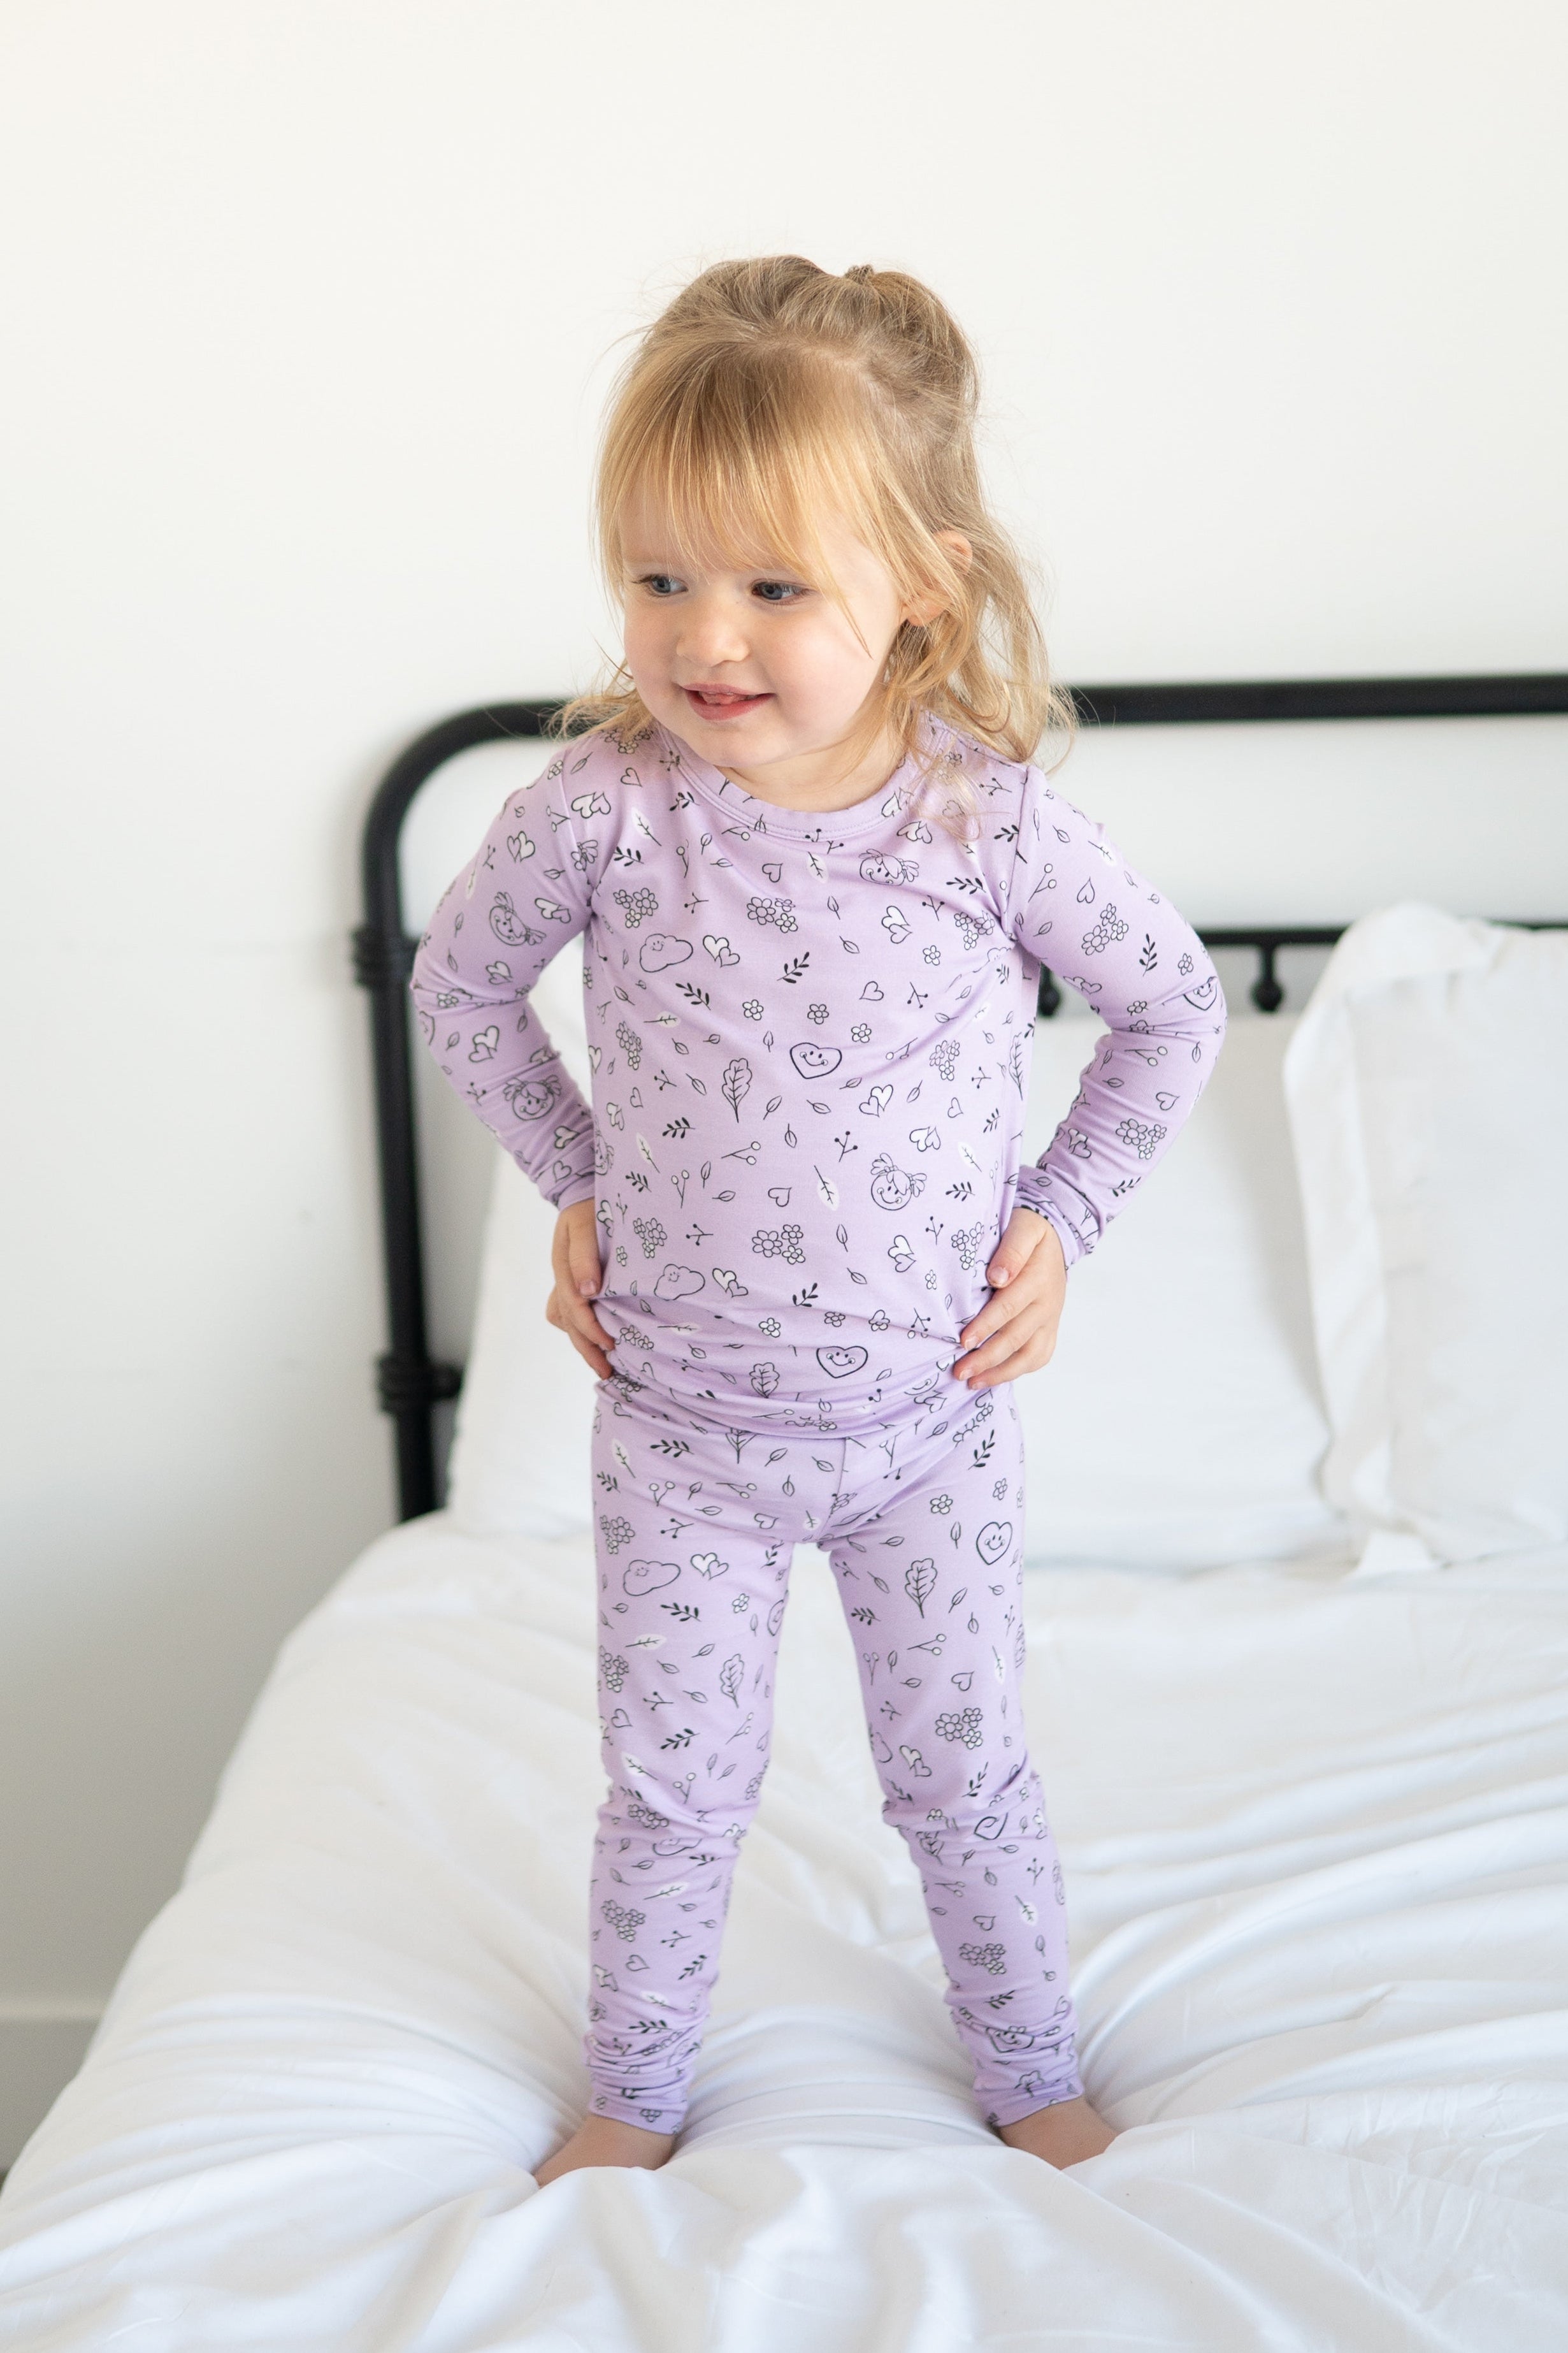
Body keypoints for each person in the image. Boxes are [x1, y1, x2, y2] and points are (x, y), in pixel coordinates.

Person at [411, 256, 1226, 2184]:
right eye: (662, 575)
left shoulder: (983, 825)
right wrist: (583, 1175)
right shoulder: (605, 813)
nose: (709, 637)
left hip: (924, 1429)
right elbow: (458, 990)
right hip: (683, 1432)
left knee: (960, 1771)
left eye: (776, 586)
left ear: (920, 582)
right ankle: (635, 2087)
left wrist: (1063, 1216)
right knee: (675, 1789)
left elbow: (1174, 1005)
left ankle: (1028, 2058)